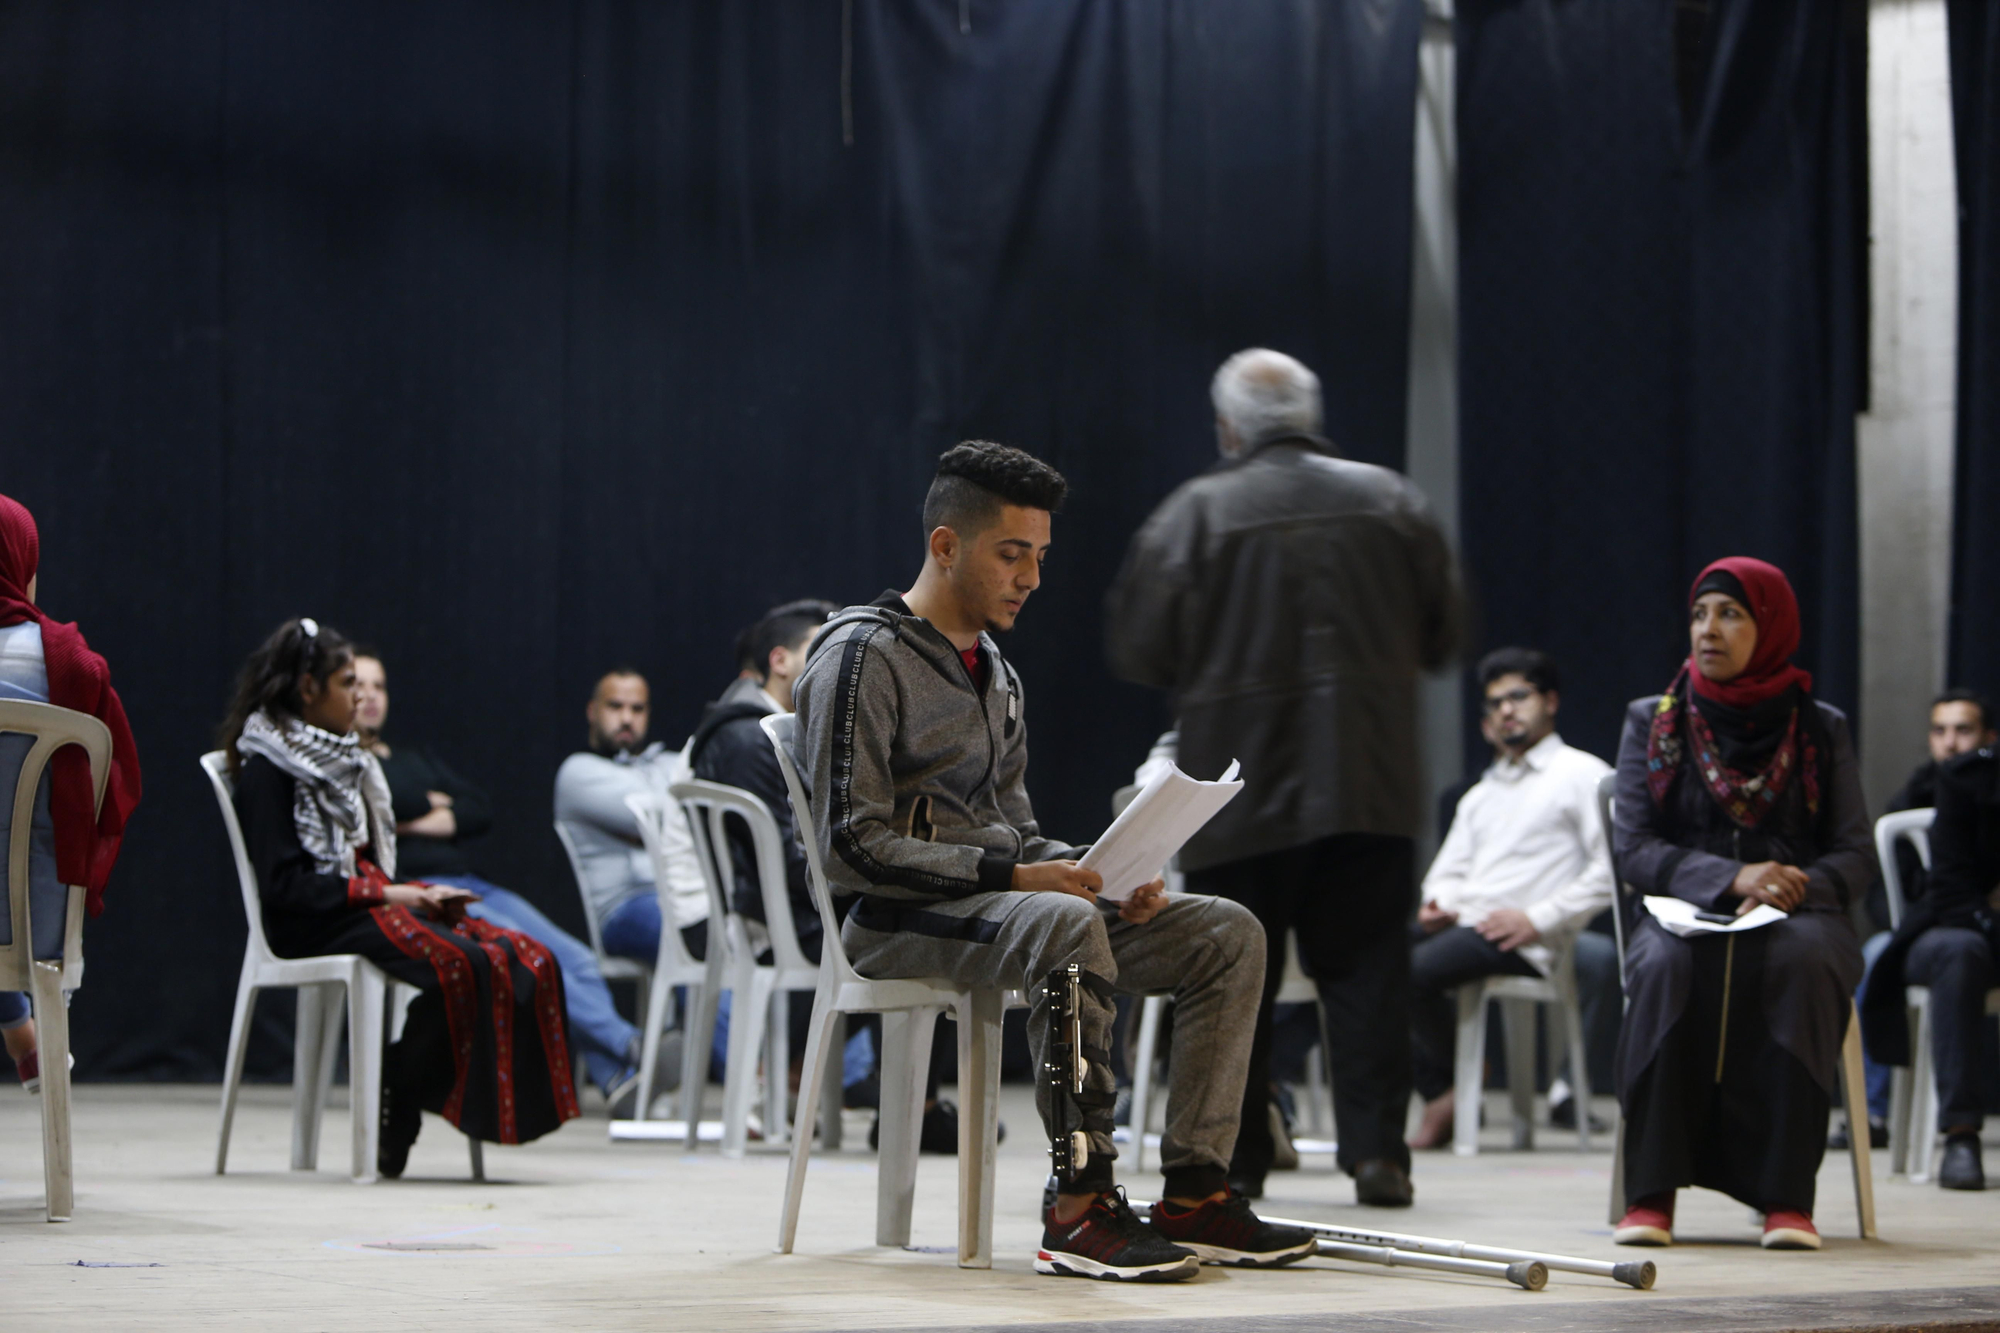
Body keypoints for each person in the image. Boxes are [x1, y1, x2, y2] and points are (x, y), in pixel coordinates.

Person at [794, 440, 1306, 1282]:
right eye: (1011, 554)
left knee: (1226, 931)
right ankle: (1079, 1205)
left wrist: (1097, 872)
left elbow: (1019, 834)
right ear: (946, 546)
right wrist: (1023, 881)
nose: (1031, 576)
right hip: (894, 921)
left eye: (1040, 556)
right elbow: (850, 846)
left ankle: (1196, 1193)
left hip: (1009, 915)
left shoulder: (995, 668)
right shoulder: (861, 654)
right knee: (1062, 921)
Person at [1104, 348, 1463, 1206]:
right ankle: (1380, 1156)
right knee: (1370, 970)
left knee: (1238, 970)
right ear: (1312, 411)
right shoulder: (1394, 500)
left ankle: (1237, 1160)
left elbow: (1139, 647)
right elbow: (1447, 635)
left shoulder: (1195, 512)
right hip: (1371, 781)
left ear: (1229, 427)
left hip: (1238, 786)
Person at [223, 618, 578, 1174]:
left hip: (356, 902)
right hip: (310, 920)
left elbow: (368, 851)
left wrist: (409, 895)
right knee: (465, 963)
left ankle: (401, 1081)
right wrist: (391, 895)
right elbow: (286, 887)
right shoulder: (271, 768)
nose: (359, 696)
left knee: (523, 957)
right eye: (347, 683)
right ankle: (402, 1100)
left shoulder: (342, 759)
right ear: (308, 689)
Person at [1609, 558, 1869, 1250]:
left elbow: (1854, 855)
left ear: (1771, 625)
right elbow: (1633, 848)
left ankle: (1787, 1199)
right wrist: (1731, 876)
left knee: (1806, 959)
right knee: (1666, 966)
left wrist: (1792, 883)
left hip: (1799, 913)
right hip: (1680, 911)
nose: (1708, 630)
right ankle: (1650, 1195)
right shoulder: (1654, 720)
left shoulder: (1820, 726)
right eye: (1699, 614)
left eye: (1730, 614)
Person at [351, 651, 661, 1113]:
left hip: (467, 882)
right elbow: (393, 803)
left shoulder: (413, 759)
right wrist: (432, 808)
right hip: (417, 891)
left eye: (379, 686)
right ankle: (636, 1050)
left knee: (574, 957)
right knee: (535, 956)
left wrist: (409, 817)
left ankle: (617, 1078)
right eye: (357, 685)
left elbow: (477, 808)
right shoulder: (348, 766)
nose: (370, 696)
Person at [1407, 648, 1612, 1149]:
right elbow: (1446, 872)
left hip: (1522, 935)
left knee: (1402, 972)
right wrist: (1439, 904)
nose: (1506, 710)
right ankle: (1451, 1083)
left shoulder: (1582, 774)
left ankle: (1445, 1092)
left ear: (1551, 701)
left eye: (1518, 696)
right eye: (1495, 702)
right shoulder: (1484, 791)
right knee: (1356, 957)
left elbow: (1612, 871)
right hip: (1467, 924)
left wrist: (1537, 918)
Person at [0, 494, 142, 1091]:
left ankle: (19, 1032)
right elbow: (113, 797)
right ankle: (29, 1029)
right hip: (37, 920)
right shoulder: (73, 668)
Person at [1835, 689, 1996, 1152]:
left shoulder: (1988, 794)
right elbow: (1880, 890)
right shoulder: (1909, 800)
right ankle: (1874, 1111)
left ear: (1988, 736)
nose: (1950, 742)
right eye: (1940, 730)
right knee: (1872, 955)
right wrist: (1905, 923)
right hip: (1920, 931)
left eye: (1963, 730)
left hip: (1974, 929)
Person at [688, 601, 837, 959]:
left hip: (791, 911)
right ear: (779, 661)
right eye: (820, 652)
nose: (833, 668)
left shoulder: (778, 730)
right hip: (781, 926)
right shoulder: (747, 738)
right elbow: (784, 857)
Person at [554, 669, 710, 967]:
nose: (626, 718)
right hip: (625, 907)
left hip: (688, 892)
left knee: (749, 923)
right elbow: (659, 818)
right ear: (592, 711)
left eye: (637, 709)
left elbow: (706, 812)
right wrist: (679, 821)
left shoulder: (670, 762)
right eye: (615, 706)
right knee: (696, 932)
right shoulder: (578, 771)